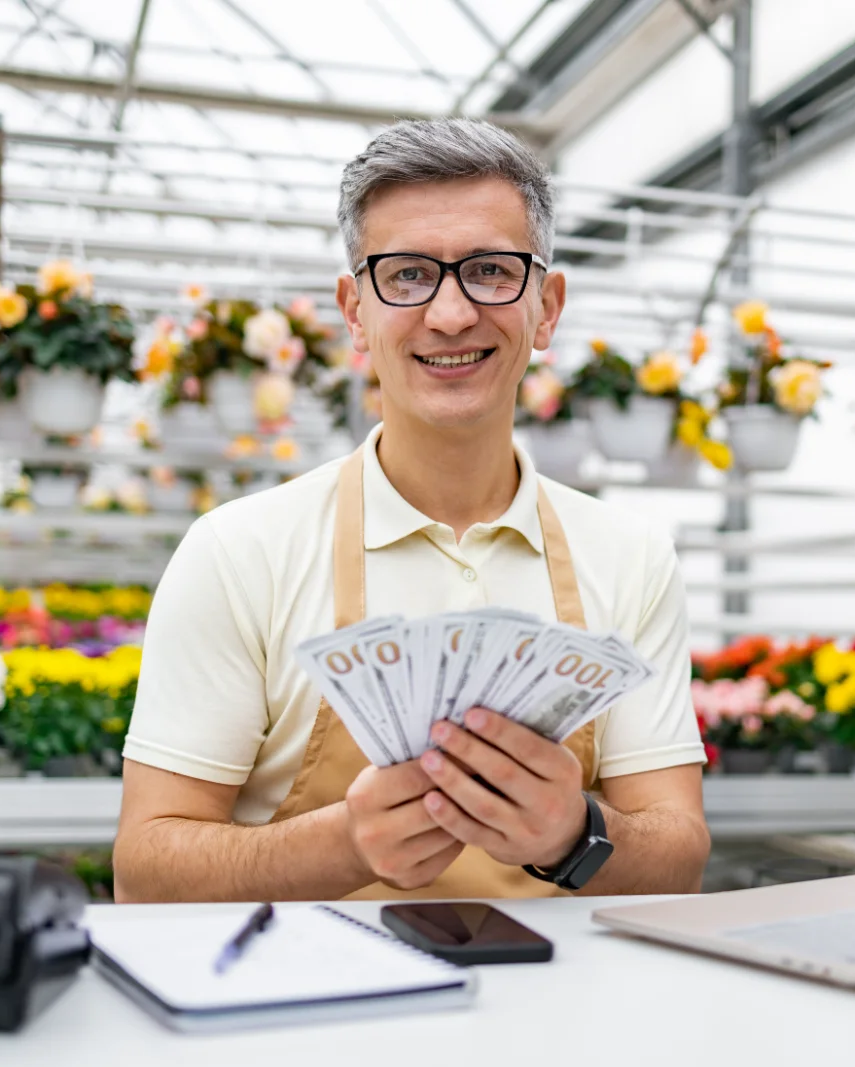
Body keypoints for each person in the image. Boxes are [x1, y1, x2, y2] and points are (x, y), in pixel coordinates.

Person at [115, 118, 709, 902]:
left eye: (491, 271)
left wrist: (576, 833)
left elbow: (680, 855)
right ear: (354, 310)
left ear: (547, 307)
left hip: (557, 984)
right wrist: (340, 845)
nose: (452, 313)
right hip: (308, 980)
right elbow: (143, 870)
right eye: (406, 275)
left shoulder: (630, 556)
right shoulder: (238, 551)